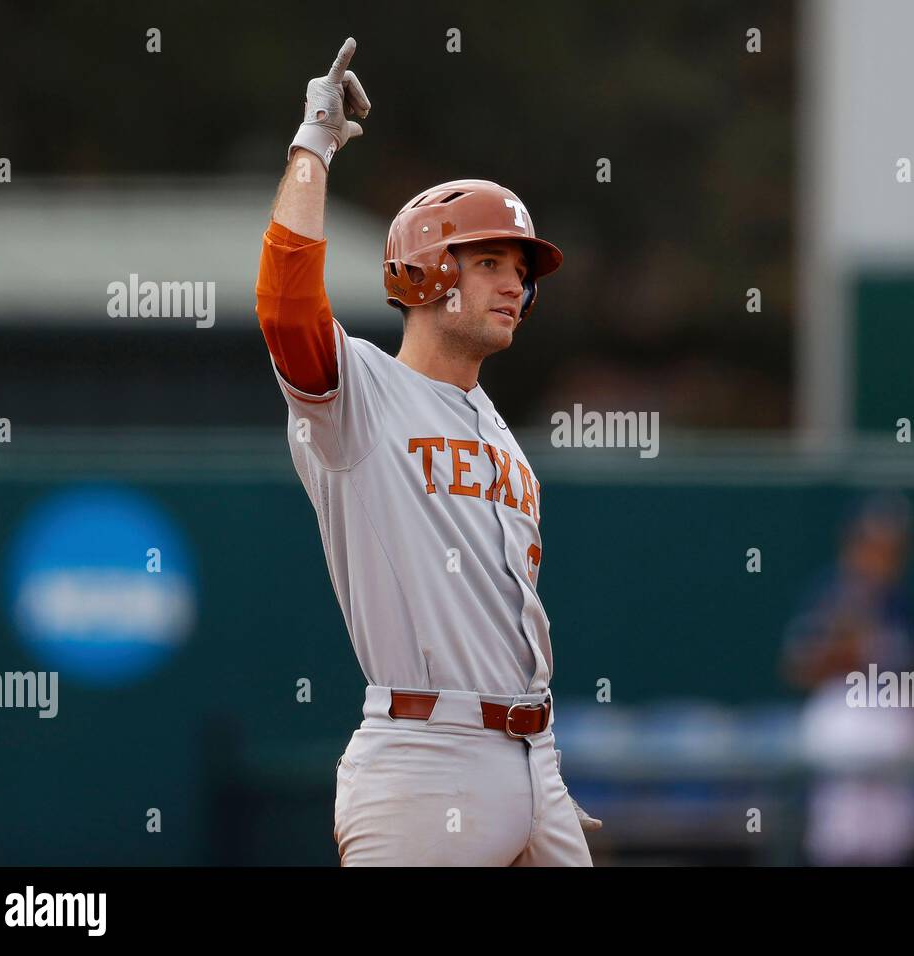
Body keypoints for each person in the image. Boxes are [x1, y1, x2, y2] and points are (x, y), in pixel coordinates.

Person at [255, 38, 598, 866]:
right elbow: (285, 308)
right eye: (489, 262)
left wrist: (534, 783)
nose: (515, 284)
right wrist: (314, 144)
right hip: (424, 754)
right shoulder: (359, 396)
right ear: (422, 273)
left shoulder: (503, 437)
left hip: (529, 753)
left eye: (521, 270)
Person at [780, 492, 914, 865]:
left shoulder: (905, 607)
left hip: (894, 733)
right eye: (873, 544)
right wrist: (851, 644)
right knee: (840, 842)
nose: (881, 557)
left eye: (892, 548)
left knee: (889, 844)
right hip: (844, 726)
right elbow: (795, 667)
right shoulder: (828, 595)